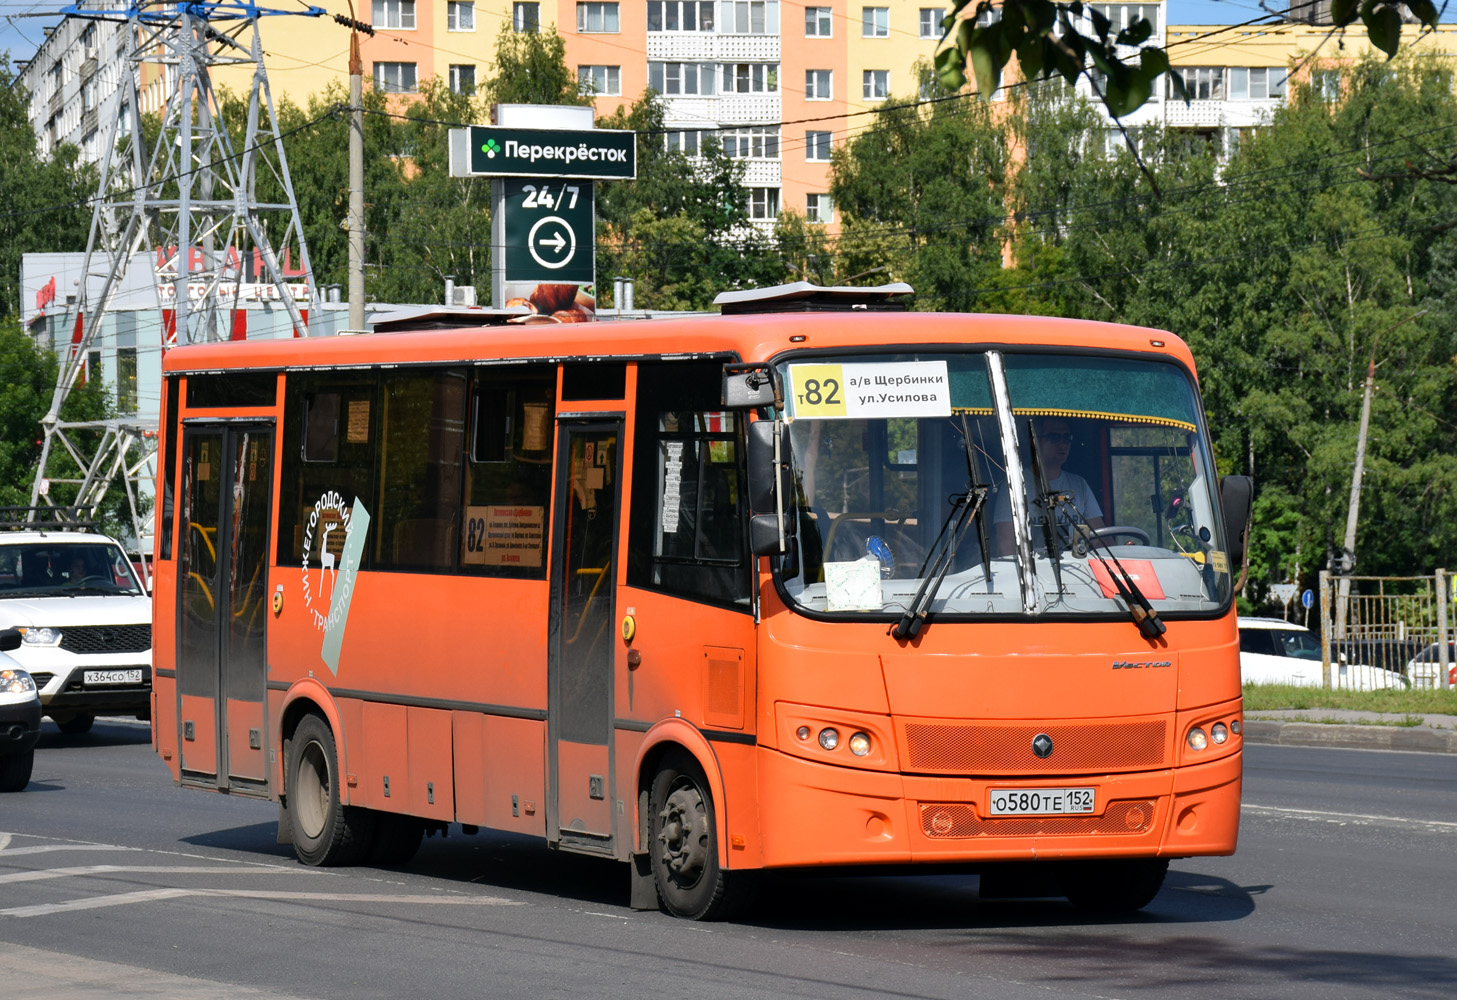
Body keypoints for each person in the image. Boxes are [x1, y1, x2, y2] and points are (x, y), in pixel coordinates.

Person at [993, 416, 1106, 556]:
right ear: (1034, 441)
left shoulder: (1079, 484)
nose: (1063, 444)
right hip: (1034, 574)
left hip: (1077, 572)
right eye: (1054, 437)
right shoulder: (1013, 486)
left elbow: (1100, 540)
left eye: (1067, 438)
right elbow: (1005, 546)